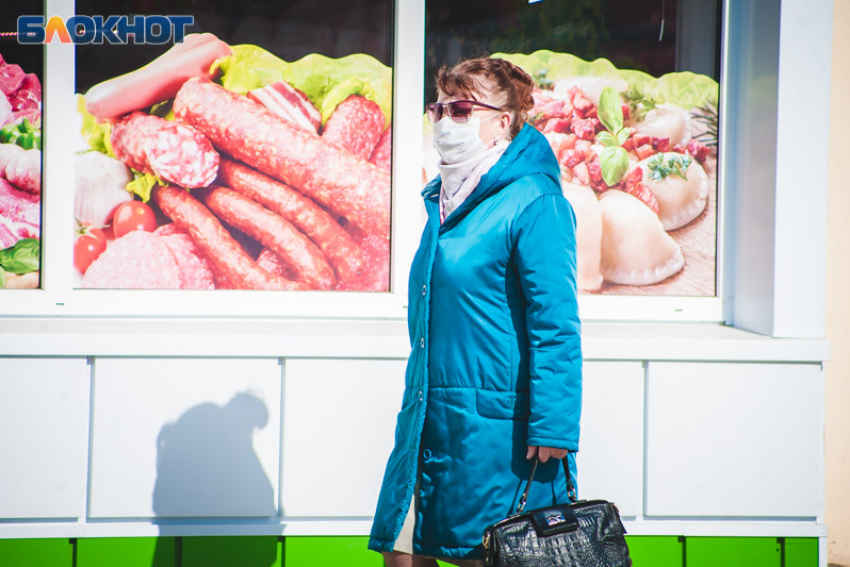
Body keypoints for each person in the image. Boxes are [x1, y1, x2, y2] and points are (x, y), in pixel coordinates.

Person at [368, 57, 582, 567]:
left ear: (503, 120)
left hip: (496, 429)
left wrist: (554, 425)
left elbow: (556, 322)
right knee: (402, 548)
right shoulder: (444, 197)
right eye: (437, 108)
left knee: (480, 553)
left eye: (461, 109)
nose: (444, 120)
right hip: (429, 415)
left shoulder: (534, 200)